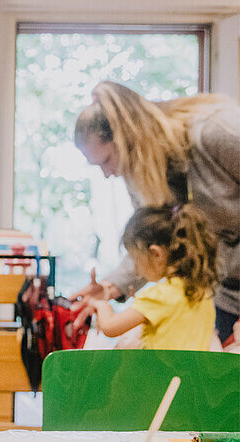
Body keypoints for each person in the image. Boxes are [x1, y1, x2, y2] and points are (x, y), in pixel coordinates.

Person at [72, 81, 239, 348]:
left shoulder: (215, 132)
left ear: (127, 137)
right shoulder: (146, 176)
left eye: (106, 161)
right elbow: (153, 242)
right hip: (222, 295)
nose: (107, 174)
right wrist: (111, 287)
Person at [90, 205, 217, 350]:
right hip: (193, 365)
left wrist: (101, 305)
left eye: (136, 259)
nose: (136, 268)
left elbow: (110, 327)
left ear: (156, 254)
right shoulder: (202, 291)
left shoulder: (159, 295)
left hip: (162, 366)